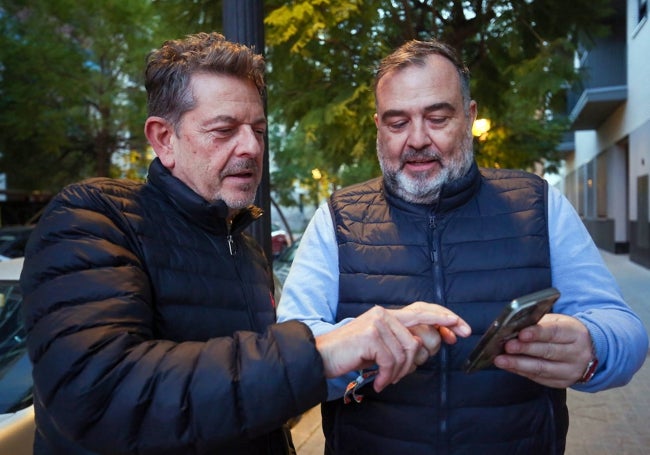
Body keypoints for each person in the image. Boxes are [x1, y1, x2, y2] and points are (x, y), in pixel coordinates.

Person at [19, 33, 472, 455]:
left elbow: (257, 399)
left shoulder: (248, 253)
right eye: (224, 130)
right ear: (163, 139)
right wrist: (322, 351)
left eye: (257, 130)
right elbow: (97, 396)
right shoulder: (92, 217)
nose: (251, 148)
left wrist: (362, 363)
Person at [277, 39, 649, 454]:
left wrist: (593, 346)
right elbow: (289, 354)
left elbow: (626, 329)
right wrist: (357, 346)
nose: (417, 139)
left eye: (437, 118)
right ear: (377, 124)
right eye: (397, 123)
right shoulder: (336, 218)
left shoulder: (539, 204)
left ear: (469, 116)